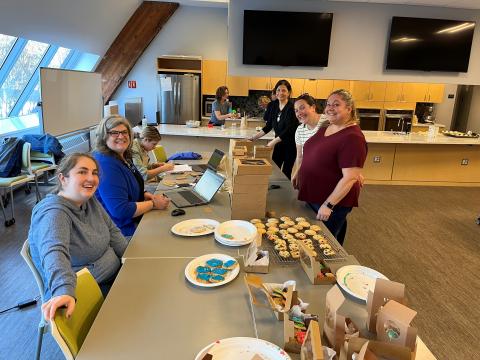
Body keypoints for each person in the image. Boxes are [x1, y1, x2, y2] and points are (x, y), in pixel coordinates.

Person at [28, 153, 128, 321]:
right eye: (82, 172)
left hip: (116, 276)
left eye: (94, 173)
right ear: (63, 178)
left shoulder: (87, 200)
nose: (91, 178)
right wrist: (63, 290)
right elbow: (54, 252)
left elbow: (112, 231)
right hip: (90, 293)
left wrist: (131, 258)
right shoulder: (54, 213)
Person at [296, 89, 368, 245]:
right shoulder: (326, 126)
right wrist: (300, 171)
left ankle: (328, 268)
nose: (330, 108)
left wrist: (328, 205)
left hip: (330, 200)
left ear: (349, 109)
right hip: (315, 194)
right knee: (330, 238)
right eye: (328, 104)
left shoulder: (353, 137)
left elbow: (349, 177)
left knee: (322, 243)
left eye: (336, 104)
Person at [93, 115, 169, 237]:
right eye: (114, 133)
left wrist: (145, 195)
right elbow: (120, 210)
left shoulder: (122, 156)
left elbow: (128, 185)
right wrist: (153, 204)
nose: (121, 136)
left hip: (133, 220)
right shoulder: (106, 164)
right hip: (122, 231)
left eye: (124, 132)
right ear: (104, 136)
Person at [248, 79, 299, 179]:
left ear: (288, 92)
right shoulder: (274, 105)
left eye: (284, 90)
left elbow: (289, 130)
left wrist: (273, 142)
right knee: (275, 170)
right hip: (278, 144)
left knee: (286, 173)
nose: (280, 93)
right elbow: (269, 125)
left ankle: (285, 194)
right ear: (275, 92)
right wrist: (254, 137)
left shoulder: (292, 108)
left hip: (290, 145)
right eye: (278, 90)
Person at [291, 93, 328, 188]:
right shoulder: (300, 130)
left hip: (327, 176)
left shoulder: (328, 122)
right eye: (296, 111)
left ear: (313, 107)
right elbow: (300, 157)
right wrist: (297, 173)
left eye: (302, 108)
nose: (299, 113)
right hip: (309, 175)